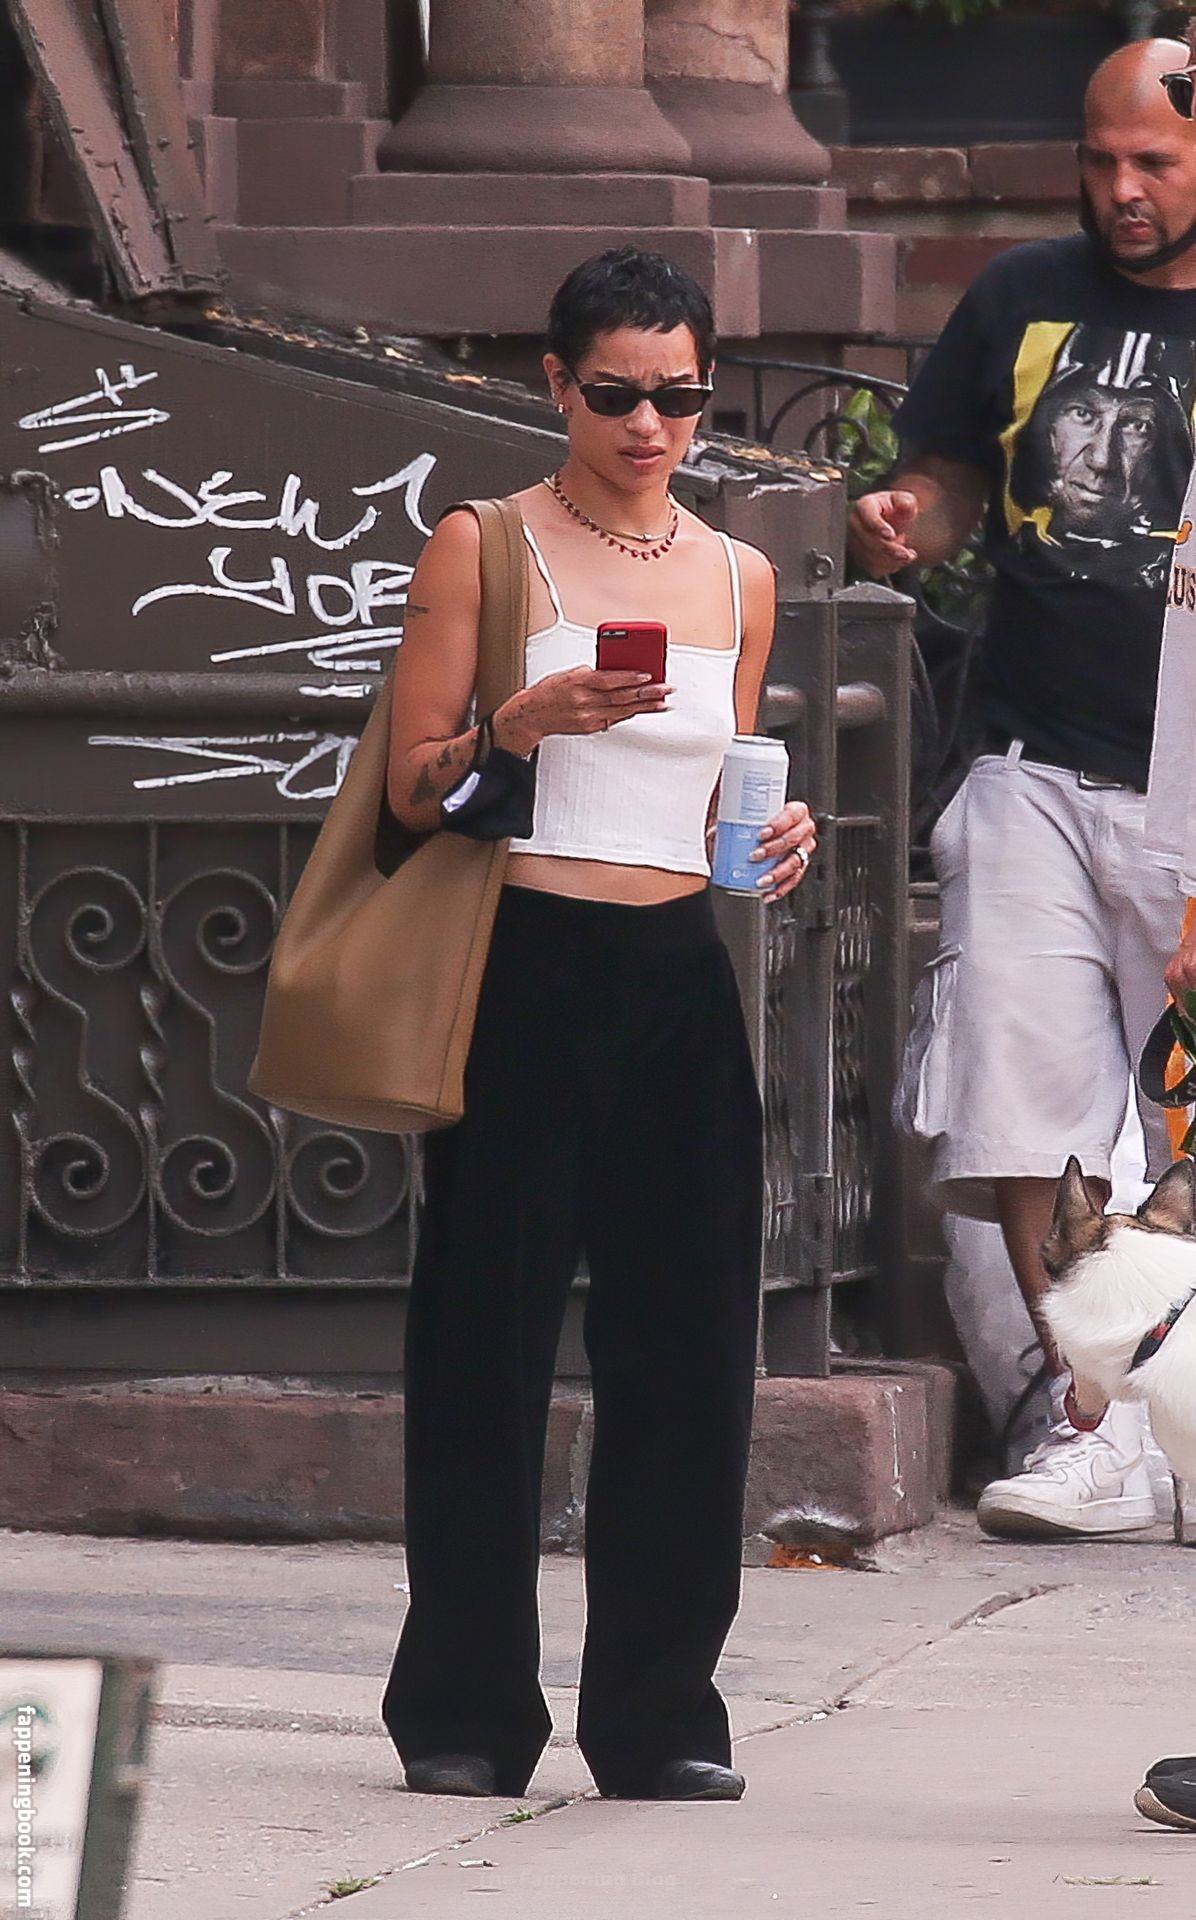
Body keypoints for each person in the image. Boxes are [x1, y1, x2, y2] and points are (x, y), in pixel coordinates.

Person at [377, 246, 816, 1804]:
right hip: (525, 964)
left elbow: (717, 789)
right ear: (556, 383)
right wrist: (514, 723)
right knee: (483, 1345)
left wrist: (776, 835)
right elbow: (408, 790)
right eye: (619, 393)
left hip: (678, 975)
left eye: (681, 397)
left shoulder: (741, 578)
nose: (650, 426)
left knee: (690, 1355)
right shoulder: (486, 548)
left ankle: (659, 1710)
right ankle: (465, 1706)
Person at [850, 38, 1196, 1540]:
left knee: (1187, 1128)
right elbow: (950, 478)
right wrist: (906, 515)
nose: (1122, 190)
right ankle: (1093, 1423)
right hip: (1033, 760)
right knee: (1021, 1103)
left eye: (1155, 164)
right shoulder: (1019, 294)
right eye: (1101, 160)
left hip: (1191, 772)